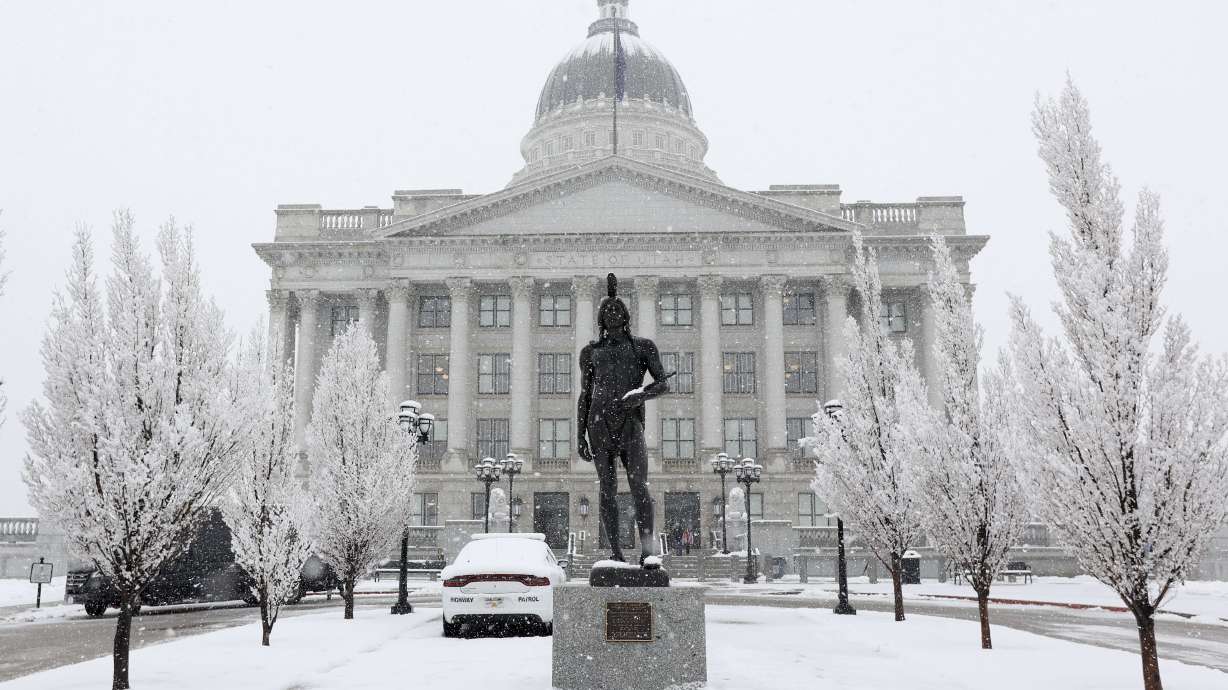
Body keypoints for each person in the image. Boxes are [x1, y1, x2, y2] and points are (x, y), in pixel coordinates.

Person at [577, 273, 672, 565]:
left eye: (617, 308)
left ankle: (647, 551)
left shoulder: (643, 347)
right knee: (607, 489)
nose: (613, 312)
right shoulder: (591, 352)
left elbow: (663, 384)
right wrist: (580, 434)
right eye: (607, 310)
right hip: (598, 420)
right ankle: (616, 551)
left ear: (626, 314)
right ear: (601, 319)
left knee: (639, 486)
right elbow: (585, 394)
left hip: (629, 420)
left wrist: (639, 396)